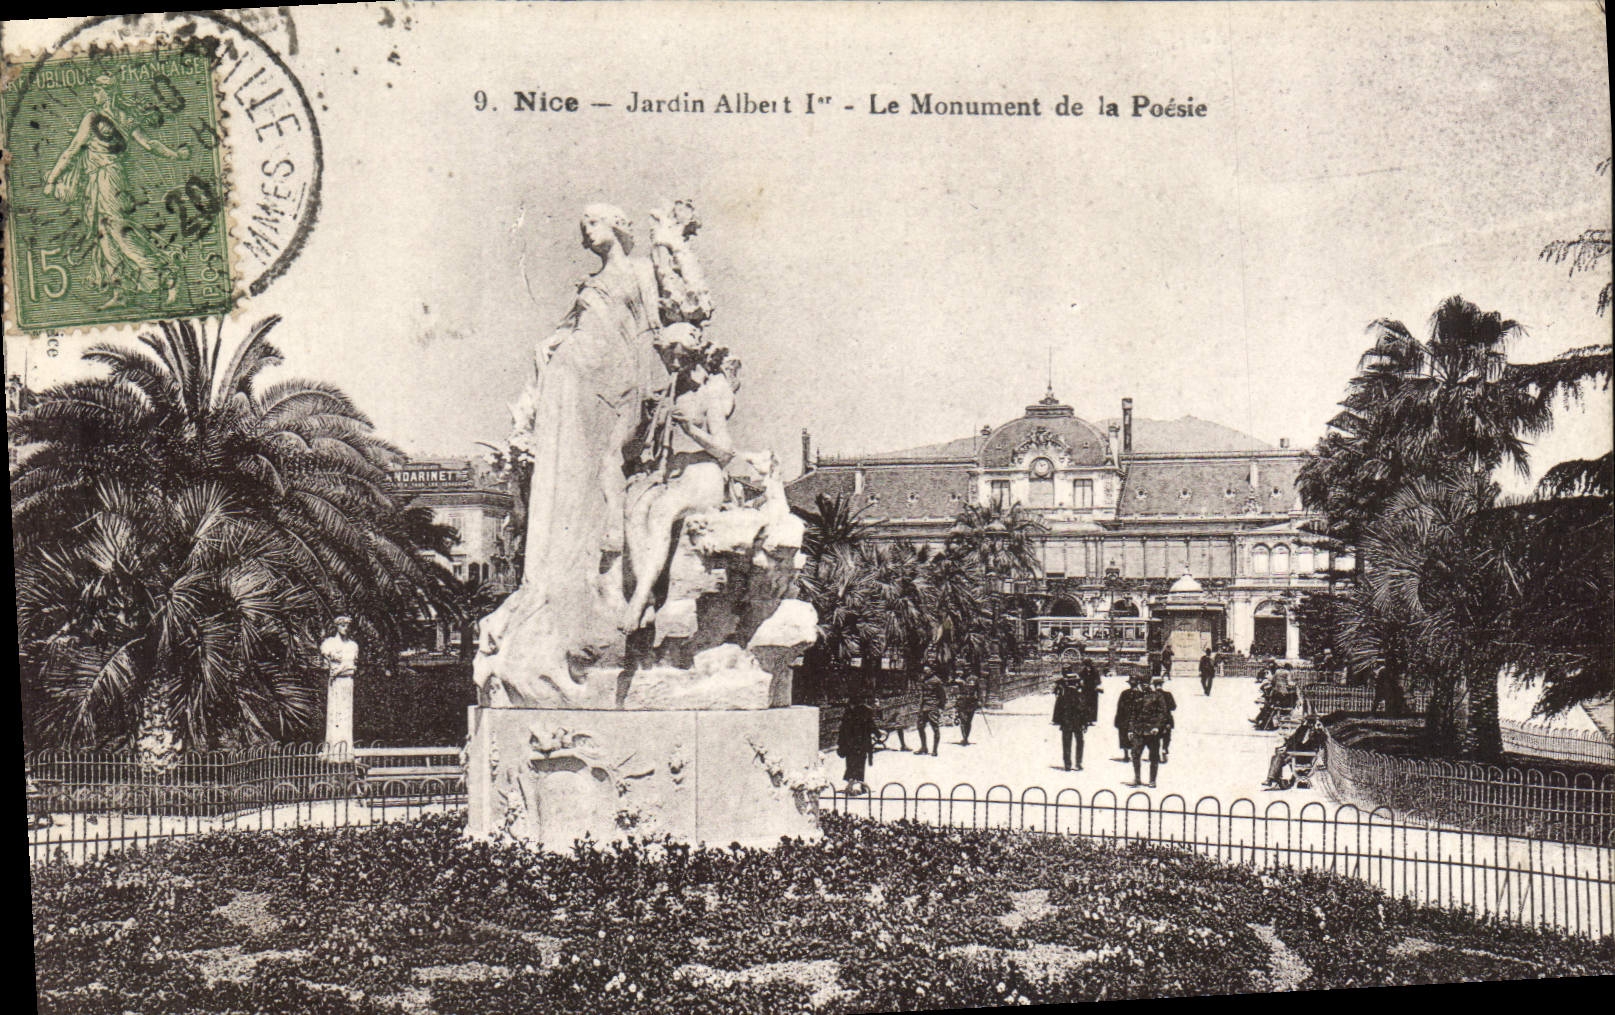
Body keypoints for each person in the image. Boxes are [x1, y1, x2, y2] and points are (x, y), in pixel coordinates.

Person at [45, 75, 189, 310]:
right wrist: (176, 155)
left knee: (118, 229)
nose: (94, 95)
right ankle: (121, 291)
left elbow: (72, 150)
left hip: (108, 179)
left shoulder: (93, 118)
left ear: (108, 92)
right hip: (103, 179)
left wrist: (52, 179)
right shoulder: (125, 117)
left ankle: (165, 273)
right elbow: (149, 144)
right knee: (104, 233)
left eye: (98, 90)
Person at [320, 616, 360, 759]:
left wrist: (340, 669)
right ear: (337, 626)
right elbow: (326, 666)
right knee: (335, 715)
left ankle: (345, 751)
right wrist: (342, 669)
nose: (345, 628)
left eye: (347, 625)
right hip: (335, 683)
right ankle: (333, 751)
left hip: (347, 682)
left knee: (346, 716)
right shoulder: (328, 644)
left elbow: (352, 668)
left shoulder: (353, 646)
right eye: (342, 625)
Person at [1128, 678, 1172, 788]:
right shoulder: (1138, 697)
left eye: (1146, 684)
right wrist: (1130, 729)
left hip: (1152, 732)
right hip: (1139, 730)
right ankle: (1137, 778)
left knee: (1154, 757)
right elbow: (1133, 714)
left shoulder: (1157, 696)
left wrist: (1157, 727)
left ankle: (1152, 780)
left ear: (1150, 685)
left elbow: (1163, 713)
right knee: (1135, 754)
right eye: (1142, 684)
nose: (1144, 686)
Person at [1263, 716, 1327, 789]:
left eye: (1310, 722)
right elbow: (1292, 739)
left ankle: (1272, 779)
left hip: (1304, 756)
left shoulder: (1318, 733)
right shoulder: (1302, 729)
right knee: (1278, 753)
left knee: (1279, 755)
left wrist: (1318, 730)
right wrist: (1285, 746)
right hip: (1296, 753)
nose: (1307, 724)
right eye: (1307, 721)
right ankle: (1274, 778)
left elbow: (1320, 741)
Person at [837, 692, 877, 794]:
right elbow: (871, 725)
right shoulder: (866, 711)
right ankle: (856, 786)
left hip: (850, 744)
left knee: (851, 764)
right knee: (859, 764)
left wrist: (841, 743)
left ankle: (855, 786)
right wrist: (878, 734)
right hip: (862, 744)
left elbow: (843, 729)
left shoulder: (849, 712)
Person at [1052, 669, 1087, 771]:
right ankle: (1078, 763)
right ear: (1076, 683)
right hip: (1078, 723)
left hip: (1066, 723)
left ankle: (1067, 764)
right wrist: (1084, 723)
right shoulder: (1080, 696)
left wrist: (1059, 722)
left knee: (1066, 743)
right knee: (1079, 743)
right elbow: (1084, 711)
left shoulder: (1062, 696)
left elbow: (1057, 711)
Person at [915, 665, 947, 756]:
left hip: (933, 706)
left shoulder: (936, 681)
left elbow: (942, 695)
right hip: (924, 706)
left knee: (935, 728)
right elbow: (922, 694)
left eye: (927, 671)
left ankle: (935, 750)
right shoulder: (923, 679)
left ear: (932, 671)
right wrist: (920, 706)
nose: (925, 673)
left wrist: (941, 707)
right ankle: (924, 747)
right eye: (924, 671)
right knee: (920, 726)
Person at [1113, 673, 1145, 762]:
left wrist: (1118, 719)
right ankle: (1133, 754)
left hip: (1125, 718)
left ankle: (1126, 754)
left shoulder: (1125, 693)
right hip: (1135, 718)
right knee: (1135, 736)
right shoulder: (1141, 694)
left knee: (1124, 735)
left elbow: (1119, 707)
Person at [1152, 675, 1177, 763]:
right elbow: (1174, 707)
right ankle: (1164, 748)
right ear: (1162, 685)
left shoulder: (1151, 695)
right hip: (1167, 719)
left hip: (1155, 720)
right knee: (1167, 736)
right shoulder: (1168, 694)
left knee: (1155, 738)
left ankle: (1156, 754)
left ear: (1154, 685)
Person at [954, 671, 982, 746]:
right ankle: (964, 738)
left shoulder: (975, 679)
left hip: (971, 702)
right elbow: (949, 683)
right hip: (962, 702)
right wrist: (955, 678)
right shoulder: (959, 678)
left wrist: (979, 700)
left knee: (968, 721)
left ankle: (966, 737)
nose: (966, 669)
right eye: (964, 667)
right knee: (963, 720)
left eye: (968, 668)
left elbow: (979, 690)